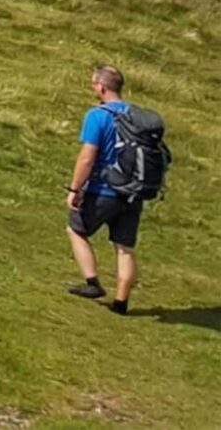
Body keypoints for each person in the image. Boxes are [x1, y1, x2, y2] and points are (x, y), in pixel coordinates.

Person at [67, 64, 145, 314]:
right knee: (124, 247)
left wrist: (74, 188)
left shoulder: (98, 116)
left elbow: (87, 158)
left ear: (101, 87)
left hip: (104, 189)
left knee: (76, 229)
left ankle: (92, 283)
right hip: (132, 192)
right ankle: (121, 303)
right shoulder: (138, 116)